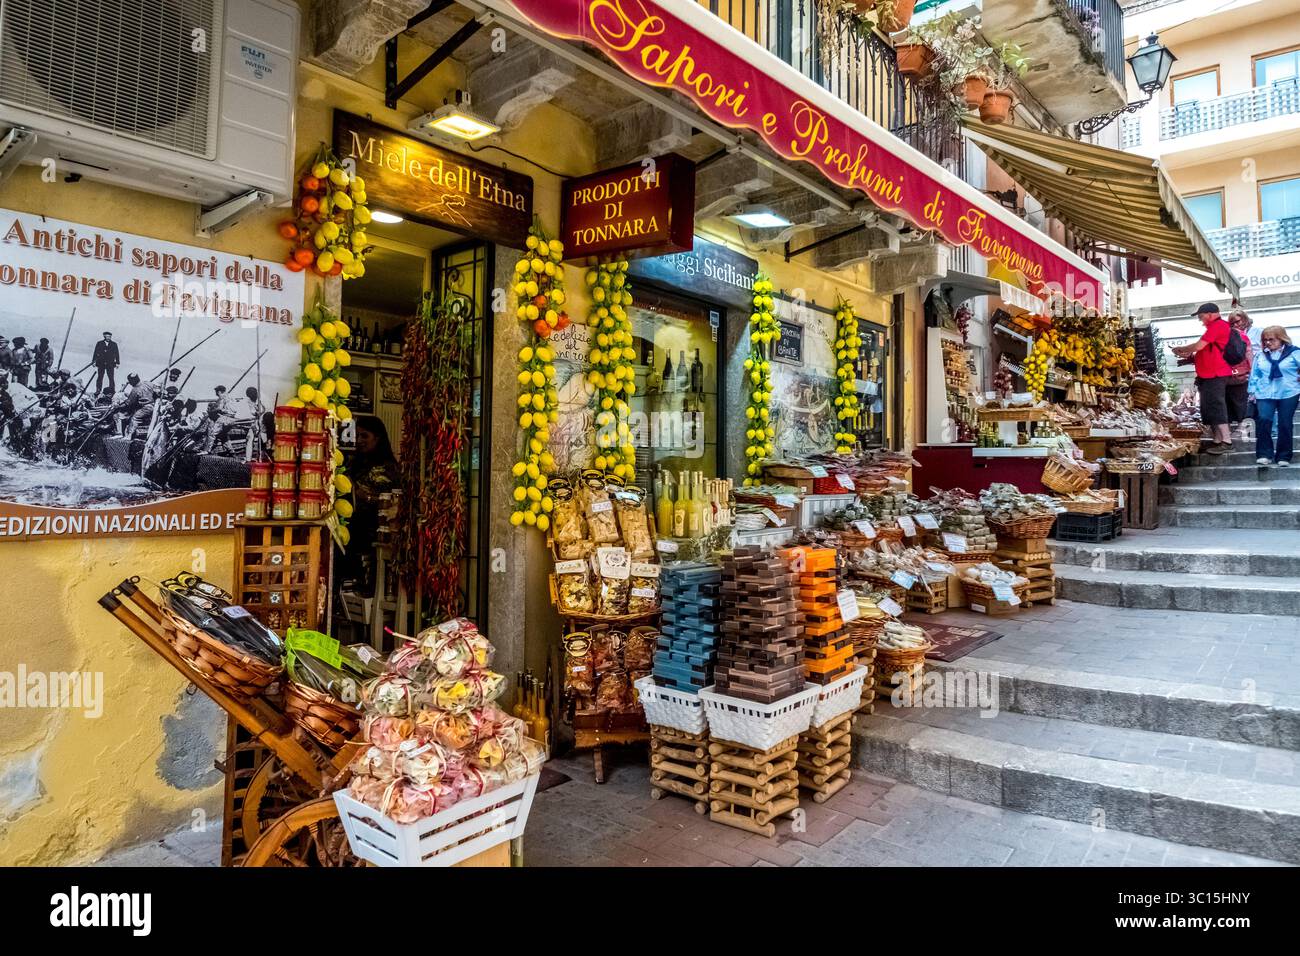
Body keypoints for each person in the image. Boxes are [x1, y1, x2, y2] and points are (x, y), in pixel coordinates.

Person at [1172, 303, 1245, 455]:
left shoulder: (1217, 326)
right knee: (1210, 408)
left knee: (1216, 406)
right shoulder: (1216, 327)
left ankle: (1226, 441)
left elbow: (1199, 346)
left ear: (1211, 314)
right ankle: (1217, 440)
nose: (1200, 320)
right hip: (1209, 374)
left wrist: (1181, 349)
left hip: (1215, 374)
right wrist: (1190, 357)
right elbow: (1205, 350)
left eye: (1201, 316)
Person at [1248, 326, 1300, 467]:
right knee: (1264, 420)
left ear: (1281, 338)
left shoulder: (1294, 353)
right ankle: (1264, 454)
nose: (1268, 343)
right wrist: (1252, 392)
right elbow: (1255, 374)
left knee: (1284, 423)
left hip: (1289, 392)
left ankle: (1284, 456)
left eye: (1271, 339)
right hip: (1264, 392)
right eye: (1265, 340)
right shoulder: (1261, 355)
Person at [1227, 309, 1255, 441]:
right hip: (1234, 373)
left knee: (1241, 403)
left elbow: (1250, 355)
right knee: (1237, 402)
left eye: (1237, 321)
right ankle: (1240, 429)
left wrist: (1251, 371)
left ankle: (1243, 430)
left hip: (1243, 373)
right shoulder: (1234, 334)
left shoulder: (1252, 333)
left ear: (1244, 318)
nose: (1235, 325)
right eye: (1232, 323)